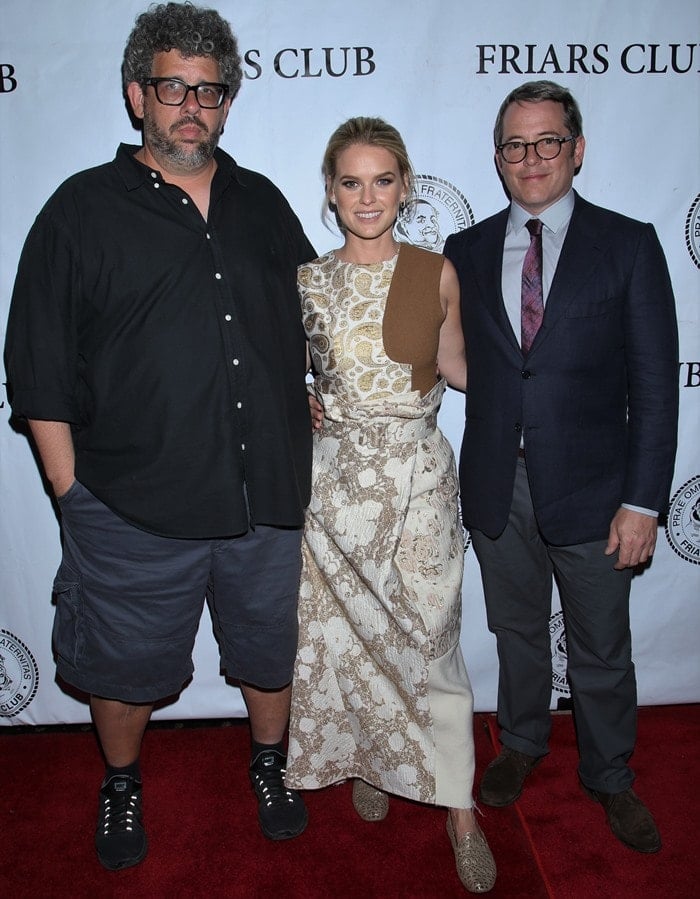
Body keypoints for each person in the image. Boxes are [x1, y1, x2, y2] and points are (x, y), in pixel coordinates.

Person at [4, 2, 315, 871]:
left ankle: (269, 763)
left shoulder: (262, 202)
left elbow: (310, 325)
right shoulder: (79, 211)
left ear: (227, 101)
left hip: (266, 500)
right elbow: (37, 365)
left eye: (209, 90)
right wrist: (74, 495)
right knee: (124, 665)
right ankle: (122, 778)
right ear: (138, 92)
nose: (191, 105)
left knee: (267, 645)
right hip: (131, 504)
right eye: (173, 86)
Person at [443, 81, 679, 854]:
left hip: (596, 488)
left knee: (600, 646)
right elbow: (437, 357)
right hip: (495, 483)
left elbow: (653, 385)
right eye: (515, 144)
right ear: (499, 158)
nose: (531, 158)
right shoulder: (466, 251)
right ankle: (521, 742)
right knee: (515, 630)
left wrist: (644, 500)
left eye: (548, 141)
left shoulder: (630, 243)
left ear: (577, 149)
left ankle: (610, 774)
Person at [284, 116, 497, 894]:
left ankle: (460, 808)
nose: (366, 196)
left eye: (382, 180)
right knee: (345, 641)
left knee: (432, 641)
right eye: (350, 182)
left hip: (417, 488)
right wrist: (302, 399)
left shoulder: (436, 270)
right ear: (332, 193)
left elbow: (461, 367)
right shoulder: (307, 280)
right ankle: (370, 757)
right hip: (334, 493)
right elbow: (288, 374)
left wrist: (545, 373)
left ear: (405, 187)